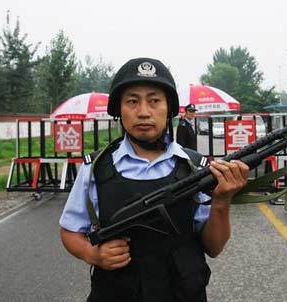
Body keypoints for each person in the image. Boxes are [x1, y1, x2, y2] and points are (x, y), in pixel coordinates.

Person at [59, 58, 249, 302]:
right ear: (119, 110)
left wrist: (222, 201)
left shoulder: (195, 167)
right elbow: (70, 231)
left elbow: (213, 247)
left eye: (154, 100)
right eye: (132, 101)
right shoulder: (95, 168)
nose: (144, 112)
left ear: (168, 109)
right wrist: (91, 254)